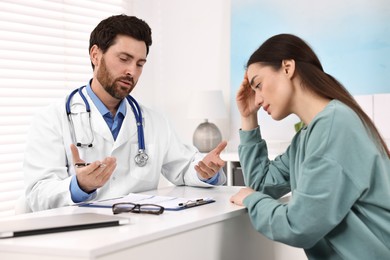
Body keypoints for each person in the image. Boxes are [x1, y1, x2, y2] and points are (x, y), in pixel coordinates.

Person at [23, 14, 227, 212]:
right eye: (124, 59)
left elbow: (183, 168)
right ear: (95, 55)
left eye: (140, 64)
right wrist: (80, 185)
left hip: (140, 233)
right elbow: (37, 195)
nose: (132, 71)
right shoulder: (52, 119)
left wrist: (205, 171)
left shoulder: (153, 121)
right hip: (80, 237)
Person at [229, 34, 390, 259]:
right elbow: (262, 184)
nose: (257, 99)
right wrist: (248, 118)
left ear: (287, 67)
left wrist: (250, 199)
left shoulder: (335, 126)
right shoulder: (308, 135)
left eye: (259, 85)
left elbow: (299, 226)